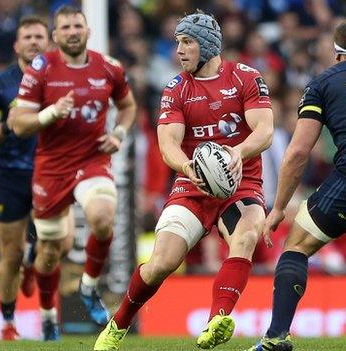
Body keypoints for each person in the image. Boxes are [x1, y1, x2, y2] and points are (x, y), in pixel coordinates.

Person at [94, 11, 274, 350]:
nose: (179, 50)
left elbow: (264, 130)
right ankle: (117, 325)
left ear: (207, 45)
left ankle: (216, 320)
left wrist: (238, 152)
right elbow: (168, 145)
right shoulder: (176, 89)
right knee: (162, 263)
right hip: (192, 186)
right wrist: (188, 168)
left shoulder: (246, 78)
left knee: (247, 233)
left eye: (187, 42)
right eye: (178, 42)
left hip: (240, 183)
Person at [245, 18, 346, 351]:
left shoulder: (324, 82)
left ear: (336, 53)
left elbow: (298, 152)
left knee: (297, 245)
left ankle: (276, 337)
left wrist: (277, 208)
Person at [9, 5, 137, 341]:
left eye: (77, 26)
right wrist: (50, 114)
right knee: (51, 250)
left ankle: (89, 286)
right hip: (51, 167)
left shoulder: (109, 68)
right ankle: (48, 314)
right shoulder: (41, 68)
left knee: (103, 217)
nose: (72, 32)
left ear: (87, 30)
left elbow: (128, 106)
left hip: (92, 160)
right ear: (56, 36)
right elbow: (18, 123)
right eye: (65, 28)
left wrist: (119, 134)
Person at [0, 15, 50, 341]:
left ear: (48, 42)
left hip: (49, 169)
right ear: (17, 44)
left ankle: (33, 259)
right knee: (9, 253)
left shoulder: (58, 79)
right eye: (28, 37)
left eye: (39, 36)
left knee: (58, 242)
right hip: (8, 173)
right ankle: (8, 323)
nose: (34, 41)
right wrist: (8, 126)